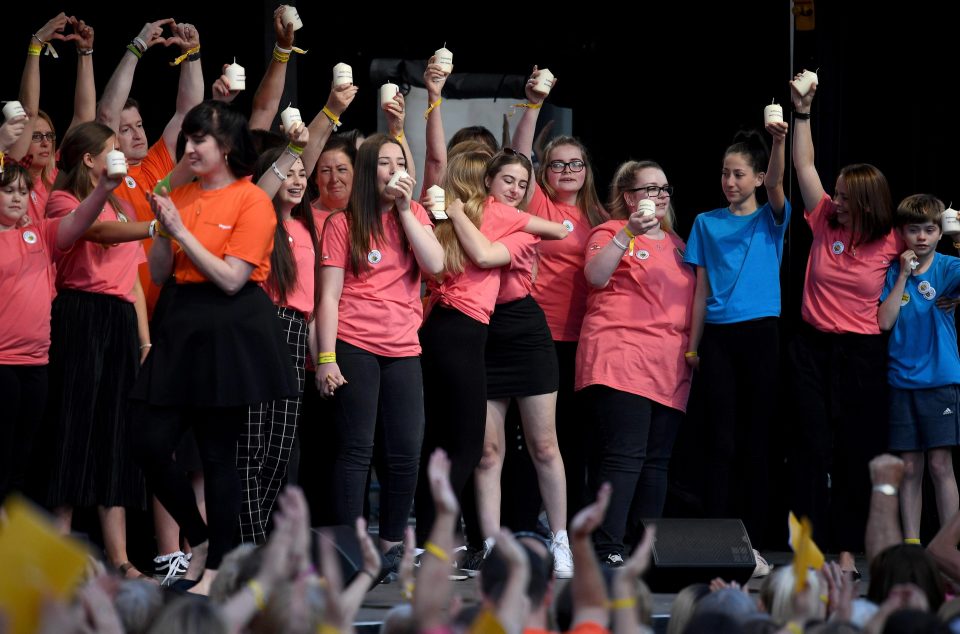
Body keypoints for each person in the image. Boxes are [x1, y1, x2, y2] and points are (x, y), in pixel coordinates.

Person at [131, 100, 298, 595]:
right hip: (181, 322)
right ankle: (200, 538)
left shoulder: (252, 201)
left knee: (219, 457)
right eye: (187, 138)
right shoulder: (179, 193)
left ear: (225, 147)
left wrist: (181, 231)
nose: (189, 148)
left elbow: (230, 278)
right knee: (147, 440)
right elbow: (160, 272)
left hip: (228, 324)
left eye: (199, 139)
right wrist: (165, 229)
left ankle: (219, 571)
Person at [788, 72, 900, 573]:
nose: (836, 199)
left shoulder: (891, 239)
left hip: (862, 355)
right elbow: (804, 163)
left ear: (868, 201)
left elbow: (931, 240)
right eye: (835, 193)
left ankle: (850, 552)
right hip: (811, 348)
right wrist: (804, 111)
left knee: (856, 454)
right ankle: (807, 552)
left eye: (846, 195)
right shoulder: (823, 218)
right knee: (811, 449)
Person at [317, 133, 443, 570]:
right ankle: (353, 549)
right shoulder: (343, 223)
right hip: (354, 343)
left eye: (400, 162)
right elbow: (328, 297)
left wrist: (408, 210)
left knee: (407, 448)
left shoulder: (416, 213)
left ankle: (391, 545)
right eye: (384, 163)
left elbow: (436, 265)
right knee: (356, 449)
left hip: (404, 346)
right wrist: (326, 358)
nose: (394, 170)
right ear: (369, 171)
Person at [40, 121, 151, 578]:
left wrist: (145, 340)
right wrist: (160, 224)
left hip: (119, 320)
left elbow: (135, 284)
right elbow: (100, 235)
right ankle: (59, 555)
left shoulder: (124, 205)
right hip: (81, 317)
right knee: (73, 432)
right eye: (111, 147)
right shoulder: (65, 201)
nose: (121, 151)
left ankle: (120, 559)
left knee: (115, 437)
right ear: (89, 159)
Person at [579, 160, 696, 565]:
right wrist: (629, 231)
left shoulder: (680, 244)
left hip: (670, 366)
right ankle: (607, 548)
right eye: (650, 189)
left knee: (657, 462)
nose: (660, 197)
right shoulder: (610, 232)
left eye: (664, 189)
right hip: (620, 357)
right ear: (629, 197)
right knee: (624, 456)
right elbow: (595, 276)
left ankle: (646, 549)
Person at [683, 120, 789, 559]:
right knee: (721, 439)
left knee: (758, 439)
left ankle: (758, 539)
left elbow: (782, 180)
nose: (729, 182)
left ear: (759, 178)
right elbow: (701, 290)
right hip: (720, 339)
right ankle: (719, 536)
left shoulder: (771, 216)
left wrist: (779, 139)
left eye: (739, 174)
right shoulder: (705, 223)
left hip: (762, 333)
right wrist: (693, 345)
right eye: (725, 173)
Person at [466, 149, 573, 578]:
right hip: (483, 331)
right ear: (489, 179)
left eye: (522, 184)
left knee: (544, 445)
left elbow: (486, 256)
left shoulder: (522, 224)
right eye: (507, 180)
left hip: (526, 332)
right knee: (489, 452)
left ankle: (560, 539)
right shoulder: (475, 215)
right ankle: (491, 546)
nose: (515, 189)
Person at [511, 66, 607, 520]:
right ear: (544, 173)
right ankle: (525, 524)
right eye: (557, 164)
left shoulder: (601, 215)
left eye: (576, 164)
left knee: (574, 437)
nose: (568, 170)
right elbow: (517, 156)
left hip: (585, 340)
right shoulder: (539, 205)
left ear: (587, 171)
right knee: (536, 437)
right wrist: (533, 104)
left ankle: (568, 531)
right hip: (540, 333)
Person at [878, 194, 960, 542]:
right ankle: (912, 543)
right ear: (902, 233)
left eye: (930, 229)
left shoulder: (947, 267)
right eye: (914, 230)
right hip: (901, 381)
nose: (922, 237)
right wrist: (902, 278)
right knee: (909, 467)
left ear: (940, 233)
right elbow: (884, 322)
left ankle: (949, 546)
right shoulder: (893, 272)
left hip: (940, 379)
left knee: (940, 465)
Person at [8, 13, 96, 224]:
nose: (46, 142)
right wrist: (35, 46)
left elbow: (85, 117)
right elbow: (28, 111)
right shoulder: (8, 174)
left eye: (49, 135)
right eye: (36, 136)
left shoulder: (57, 174)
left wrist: (85, 52)